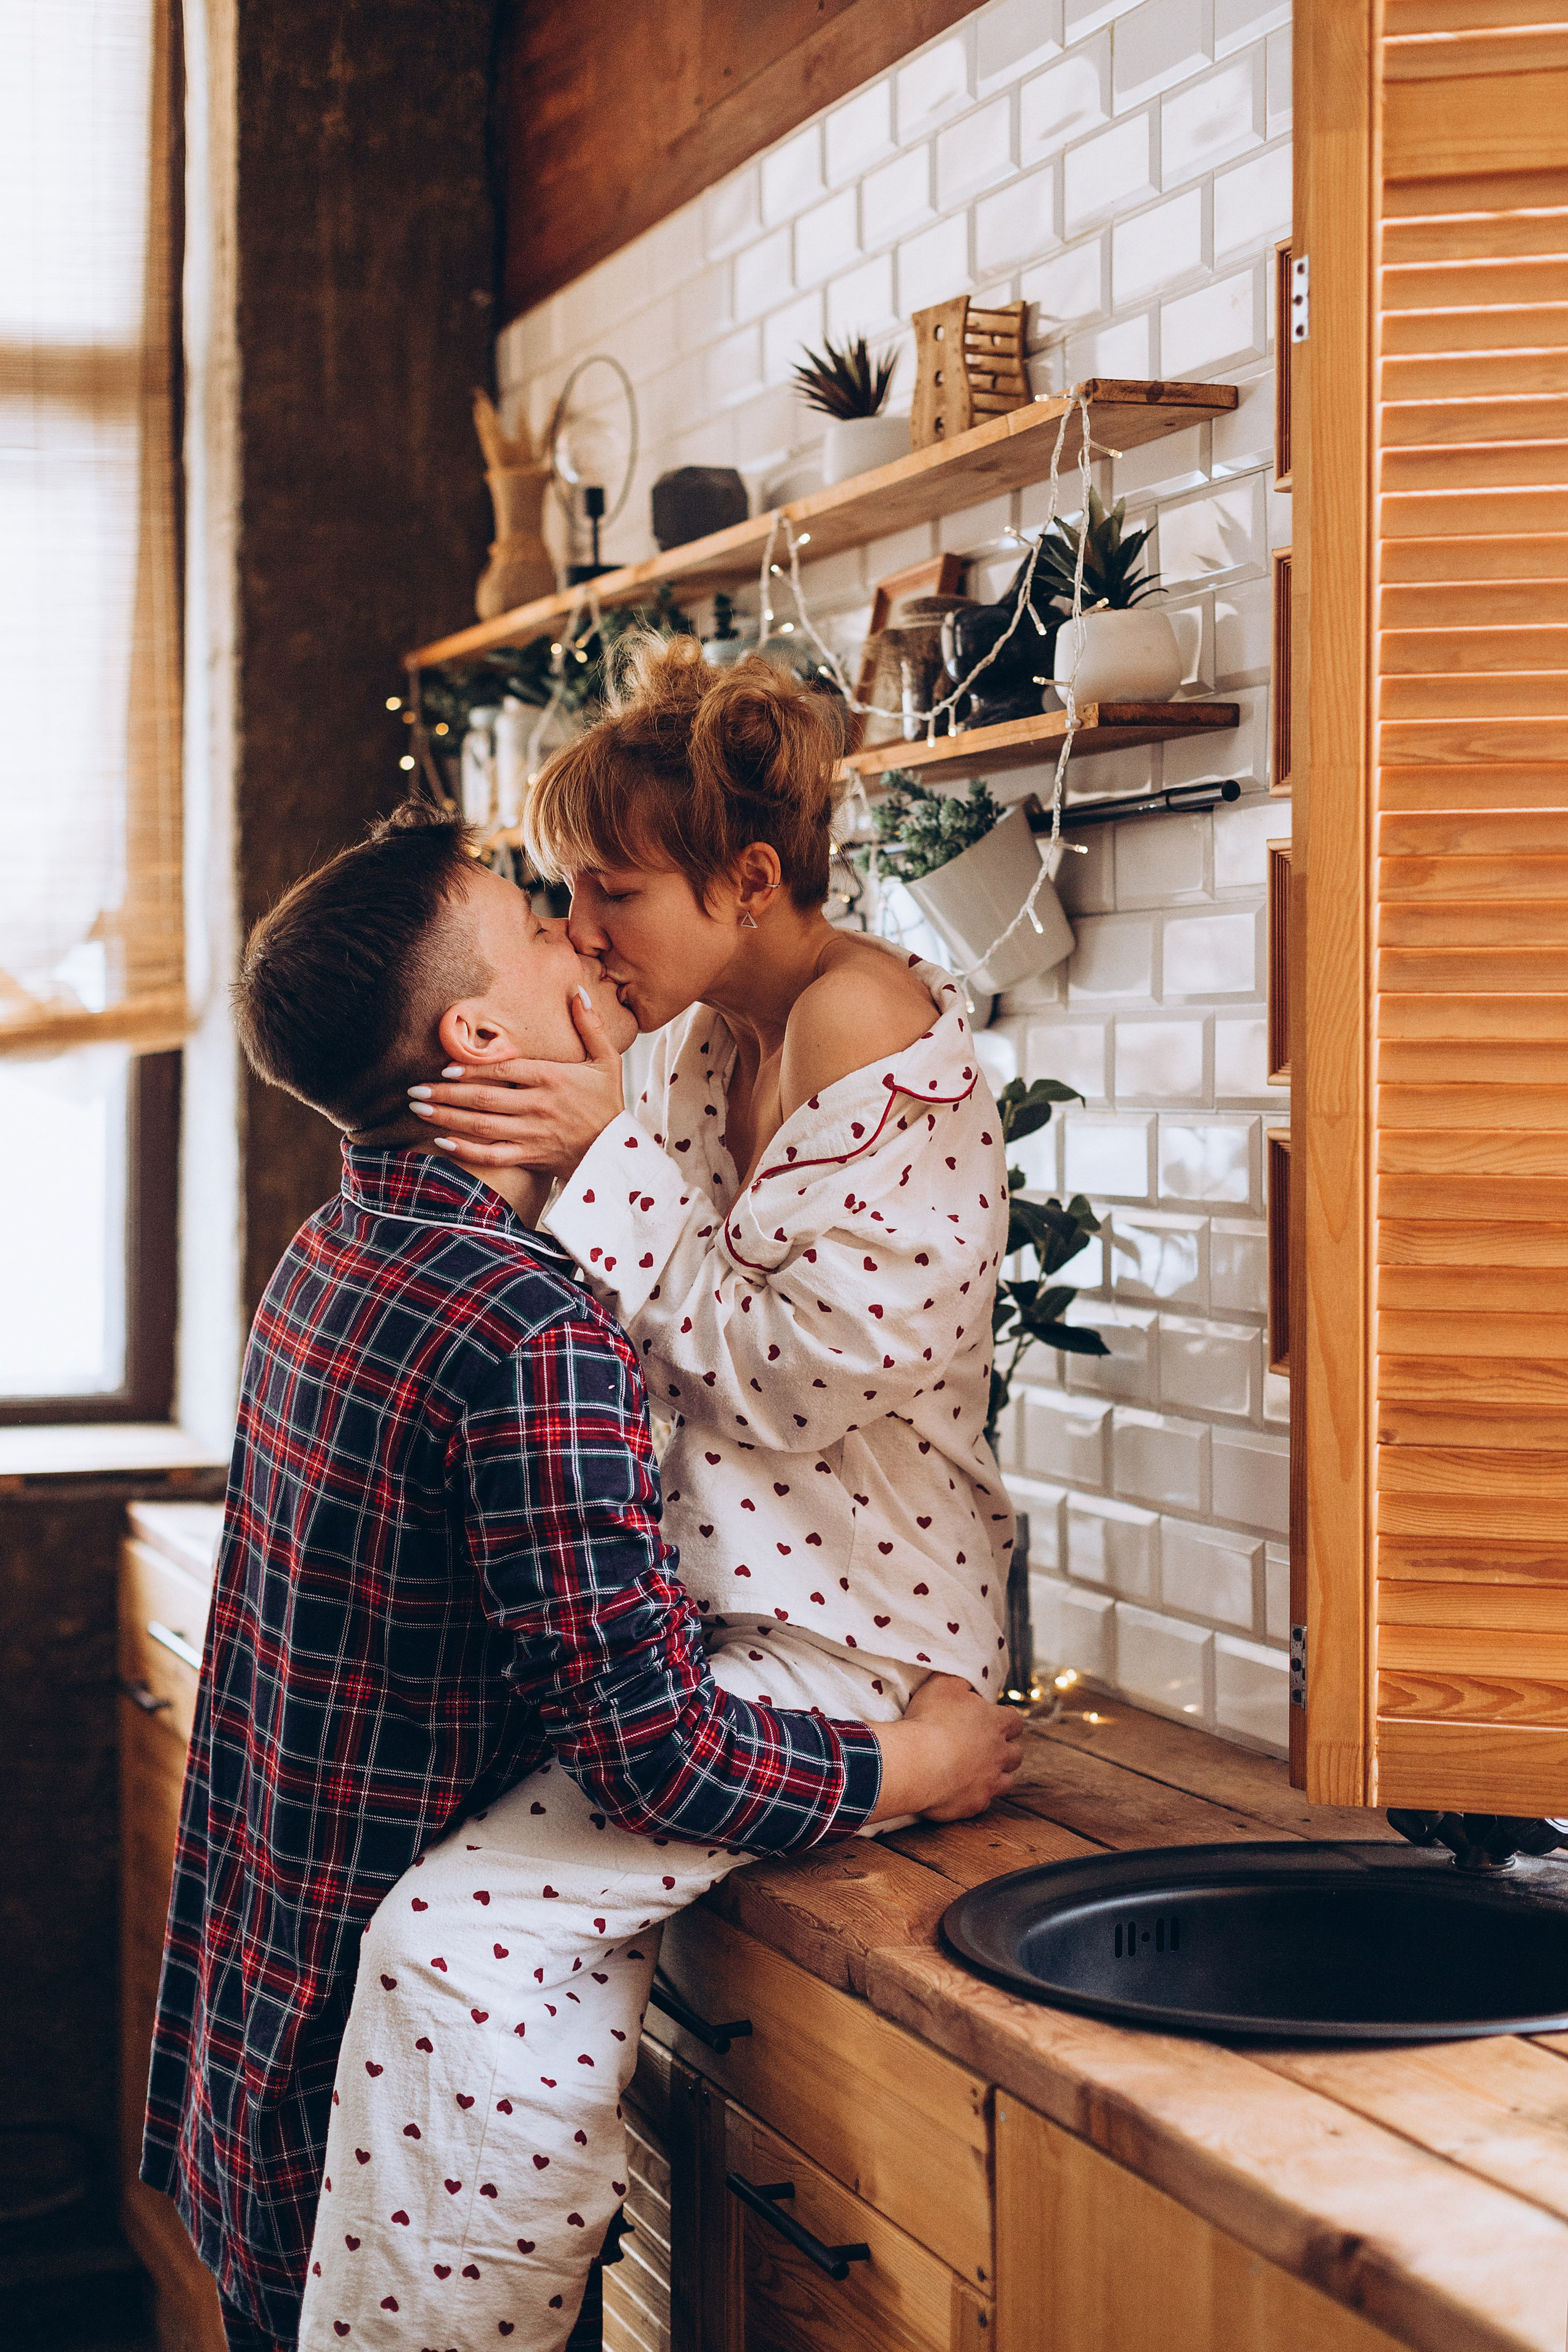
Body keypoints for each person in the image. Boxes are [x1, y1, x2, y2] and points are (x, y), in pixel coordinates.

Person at [141, 802, 1020, 2352]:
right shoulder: (527, 1333)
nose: (580, 932)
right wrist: (914, 1758)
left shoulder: (334, 1254)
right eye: (545, 918)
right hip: (375, 2132)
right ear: (479, 1032)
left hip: (259, 2067)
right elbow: (653, 1751)